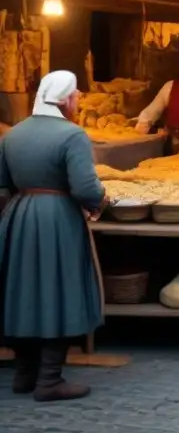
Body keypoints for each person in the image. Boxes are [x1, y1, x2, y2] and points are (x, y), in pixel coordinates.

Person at [0, 71, 107, 401]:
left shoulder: (13, 135)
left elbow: (3, 185)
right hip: (56, 218)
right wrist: (100, 201)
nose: (78, 101)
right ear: (64, 100)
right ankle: (49, 380)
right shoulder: (72, 135)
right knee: (59, 291)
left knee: (21, 291)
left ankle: (24, 374)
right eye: (76, 96)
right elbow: (85, 187)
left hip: (18, 217)